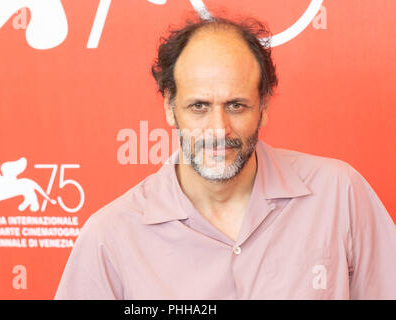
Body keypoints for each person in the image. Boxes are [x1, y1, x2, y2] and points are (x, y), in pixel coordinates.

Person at [55, 15, 396, 299]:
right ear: (170, 108)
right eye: (199, 106)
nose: (219, 129)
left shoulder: (339, 193)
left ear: (263, 107)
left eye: (236, 105)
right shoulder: (110, 236)